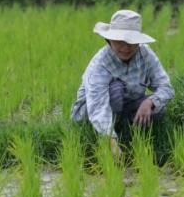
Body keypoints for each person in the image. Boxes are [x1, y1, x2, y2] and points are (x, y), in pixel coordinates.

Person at [70, 9, 175, 156]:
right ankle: (111, 136)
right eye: (120, 41)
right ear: (109, 40)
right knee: (115, 90)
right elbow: (98, 108)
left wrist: (150, 101)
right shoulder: (100, 65)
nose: (126, 47)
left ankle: (128, 133)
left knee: (158, 108)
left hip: (126, 106)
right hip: (91, 111)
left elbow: (166, 87)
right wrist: (111, 143)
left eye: (131, 41)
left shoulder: (145, 53)